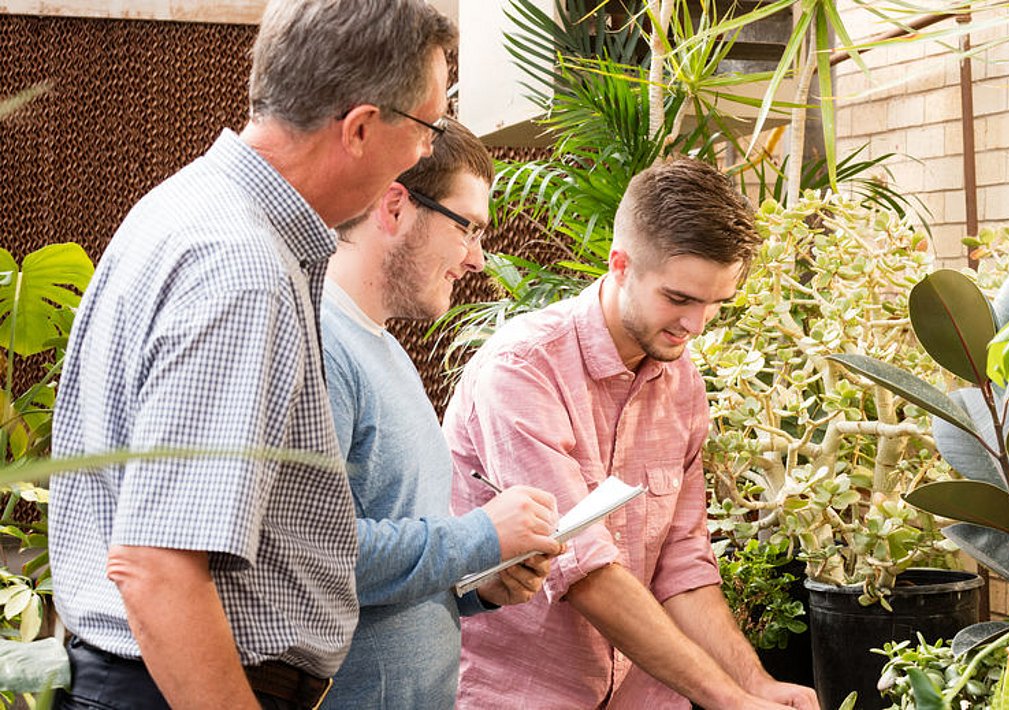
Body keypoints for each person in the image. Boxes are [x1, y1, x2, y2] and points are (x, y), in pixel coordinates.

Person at [47, 2, 491, 708]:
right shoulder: (243, 266)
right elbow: (158, 566)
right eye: (428, 128)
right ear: (361, 127)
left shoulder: (186, 208)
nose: (421, 154)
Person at [444, 157, 820, 710]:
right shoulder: (522, 368)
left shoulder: (682, 379)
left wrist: (754, 684)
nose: (696, 325)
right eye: (680, 298)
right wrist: (726, 699)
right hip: (522, 694)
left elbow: (683, 561)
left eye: (717, 303)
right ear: (620, 265)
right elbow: (584, 568)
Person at [319, 119, 562, 708]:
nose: (477, 260)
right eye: (468, 228)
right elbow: (316, 555)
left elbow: (402, 543)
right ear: (396, 207)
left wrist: (478, 580)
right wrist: (480, 534)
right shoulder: (323, 346)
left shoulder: (385, 349)